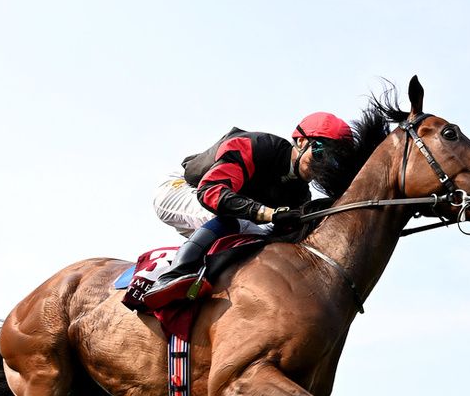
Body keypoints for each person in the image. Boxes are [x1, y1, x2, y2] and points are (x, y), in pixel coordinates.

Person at [140, 112, 354, 310]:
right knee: (233, 222)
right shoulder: (256, 146)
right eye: (320, 152)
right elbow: (211, 192)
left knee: (263, 244)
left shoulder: (300, 195)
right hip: (183, 189)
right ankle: (172, 276)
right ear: (301, 141)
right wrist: (269, 213)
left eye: (333, 161)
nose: (324, 165)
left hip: (219, 208)